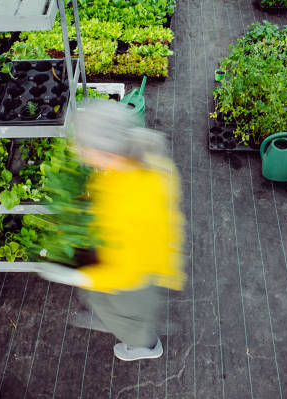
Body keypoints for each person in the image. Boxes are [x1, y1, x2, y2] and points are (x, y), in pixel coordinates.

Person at [69, 99, 185, 361]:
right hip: (138, 265)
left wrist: (88, 276)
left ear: (107, 152)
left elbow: (126, 267)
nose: (82, 153)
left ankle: (145, 346)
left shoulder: (131, 200)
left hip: (134, 276)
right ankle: (128, 326)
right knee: (110, 304)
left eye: (86, 148)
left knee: (126, 315)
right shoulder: (137, 165)